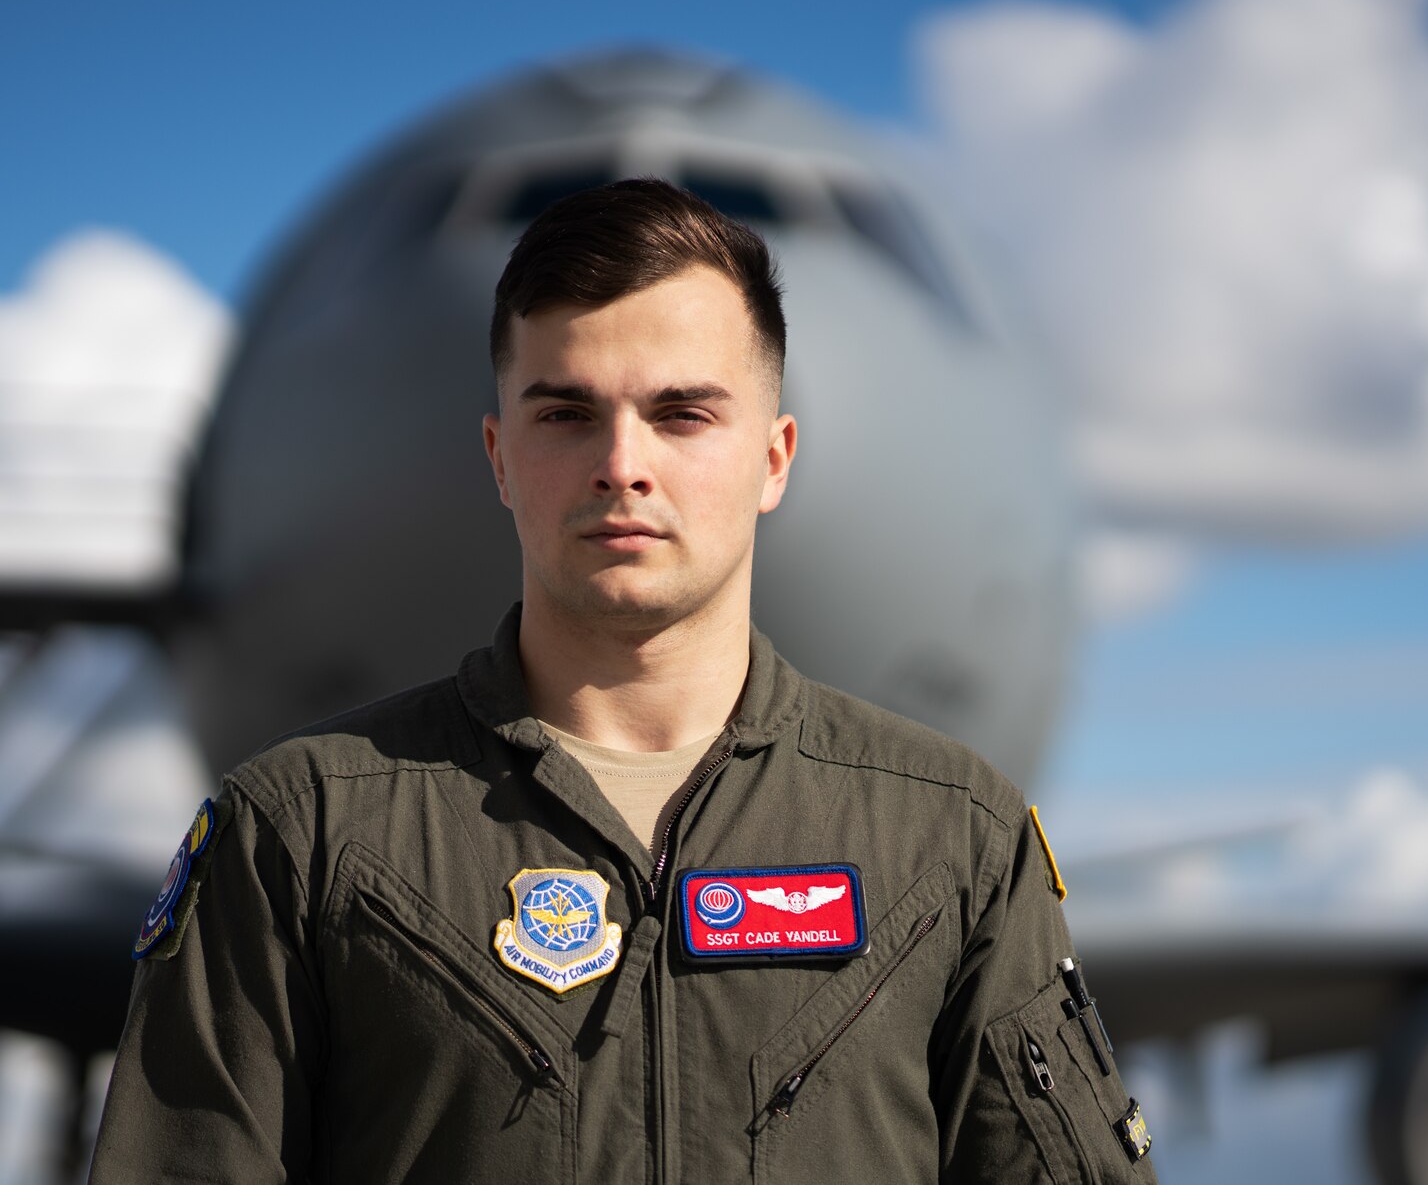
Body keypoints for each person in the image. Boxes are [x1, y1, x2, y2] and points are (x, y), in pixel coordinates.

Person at [87, 178, 1156, 1183]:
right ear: (499, 455)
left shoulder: (952, 835)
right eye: (565, 414)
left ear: (775, 456)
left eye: (682, 413)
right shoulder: (297, 832)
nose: (622, 465)